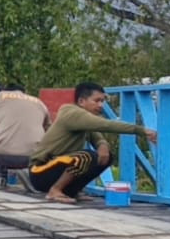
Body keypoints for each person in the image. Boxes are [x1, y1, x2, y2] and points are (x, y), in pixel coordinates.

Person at [28, 81, 157, 204]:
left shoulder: (83, 119)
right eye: (97, 101)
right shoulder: (73, 114)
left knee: (106, 157)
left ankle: (71, 191)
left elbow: (97, 137)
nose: (101, 105)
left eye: (103, 101)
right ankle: (55, 190)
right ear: (81, 101)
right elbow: (105, 125)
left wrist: (103, 146)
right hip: (40, 171)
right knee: (86, 156)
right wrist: (141, 130)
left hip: (57, 167)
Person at [0, 84, 51, 186]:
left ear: (4, 91)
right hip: (33, 157)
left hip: (3, 155)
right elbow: (49, 132)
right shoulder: (39, 102)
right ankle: (34, 176)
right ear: (24, 93)